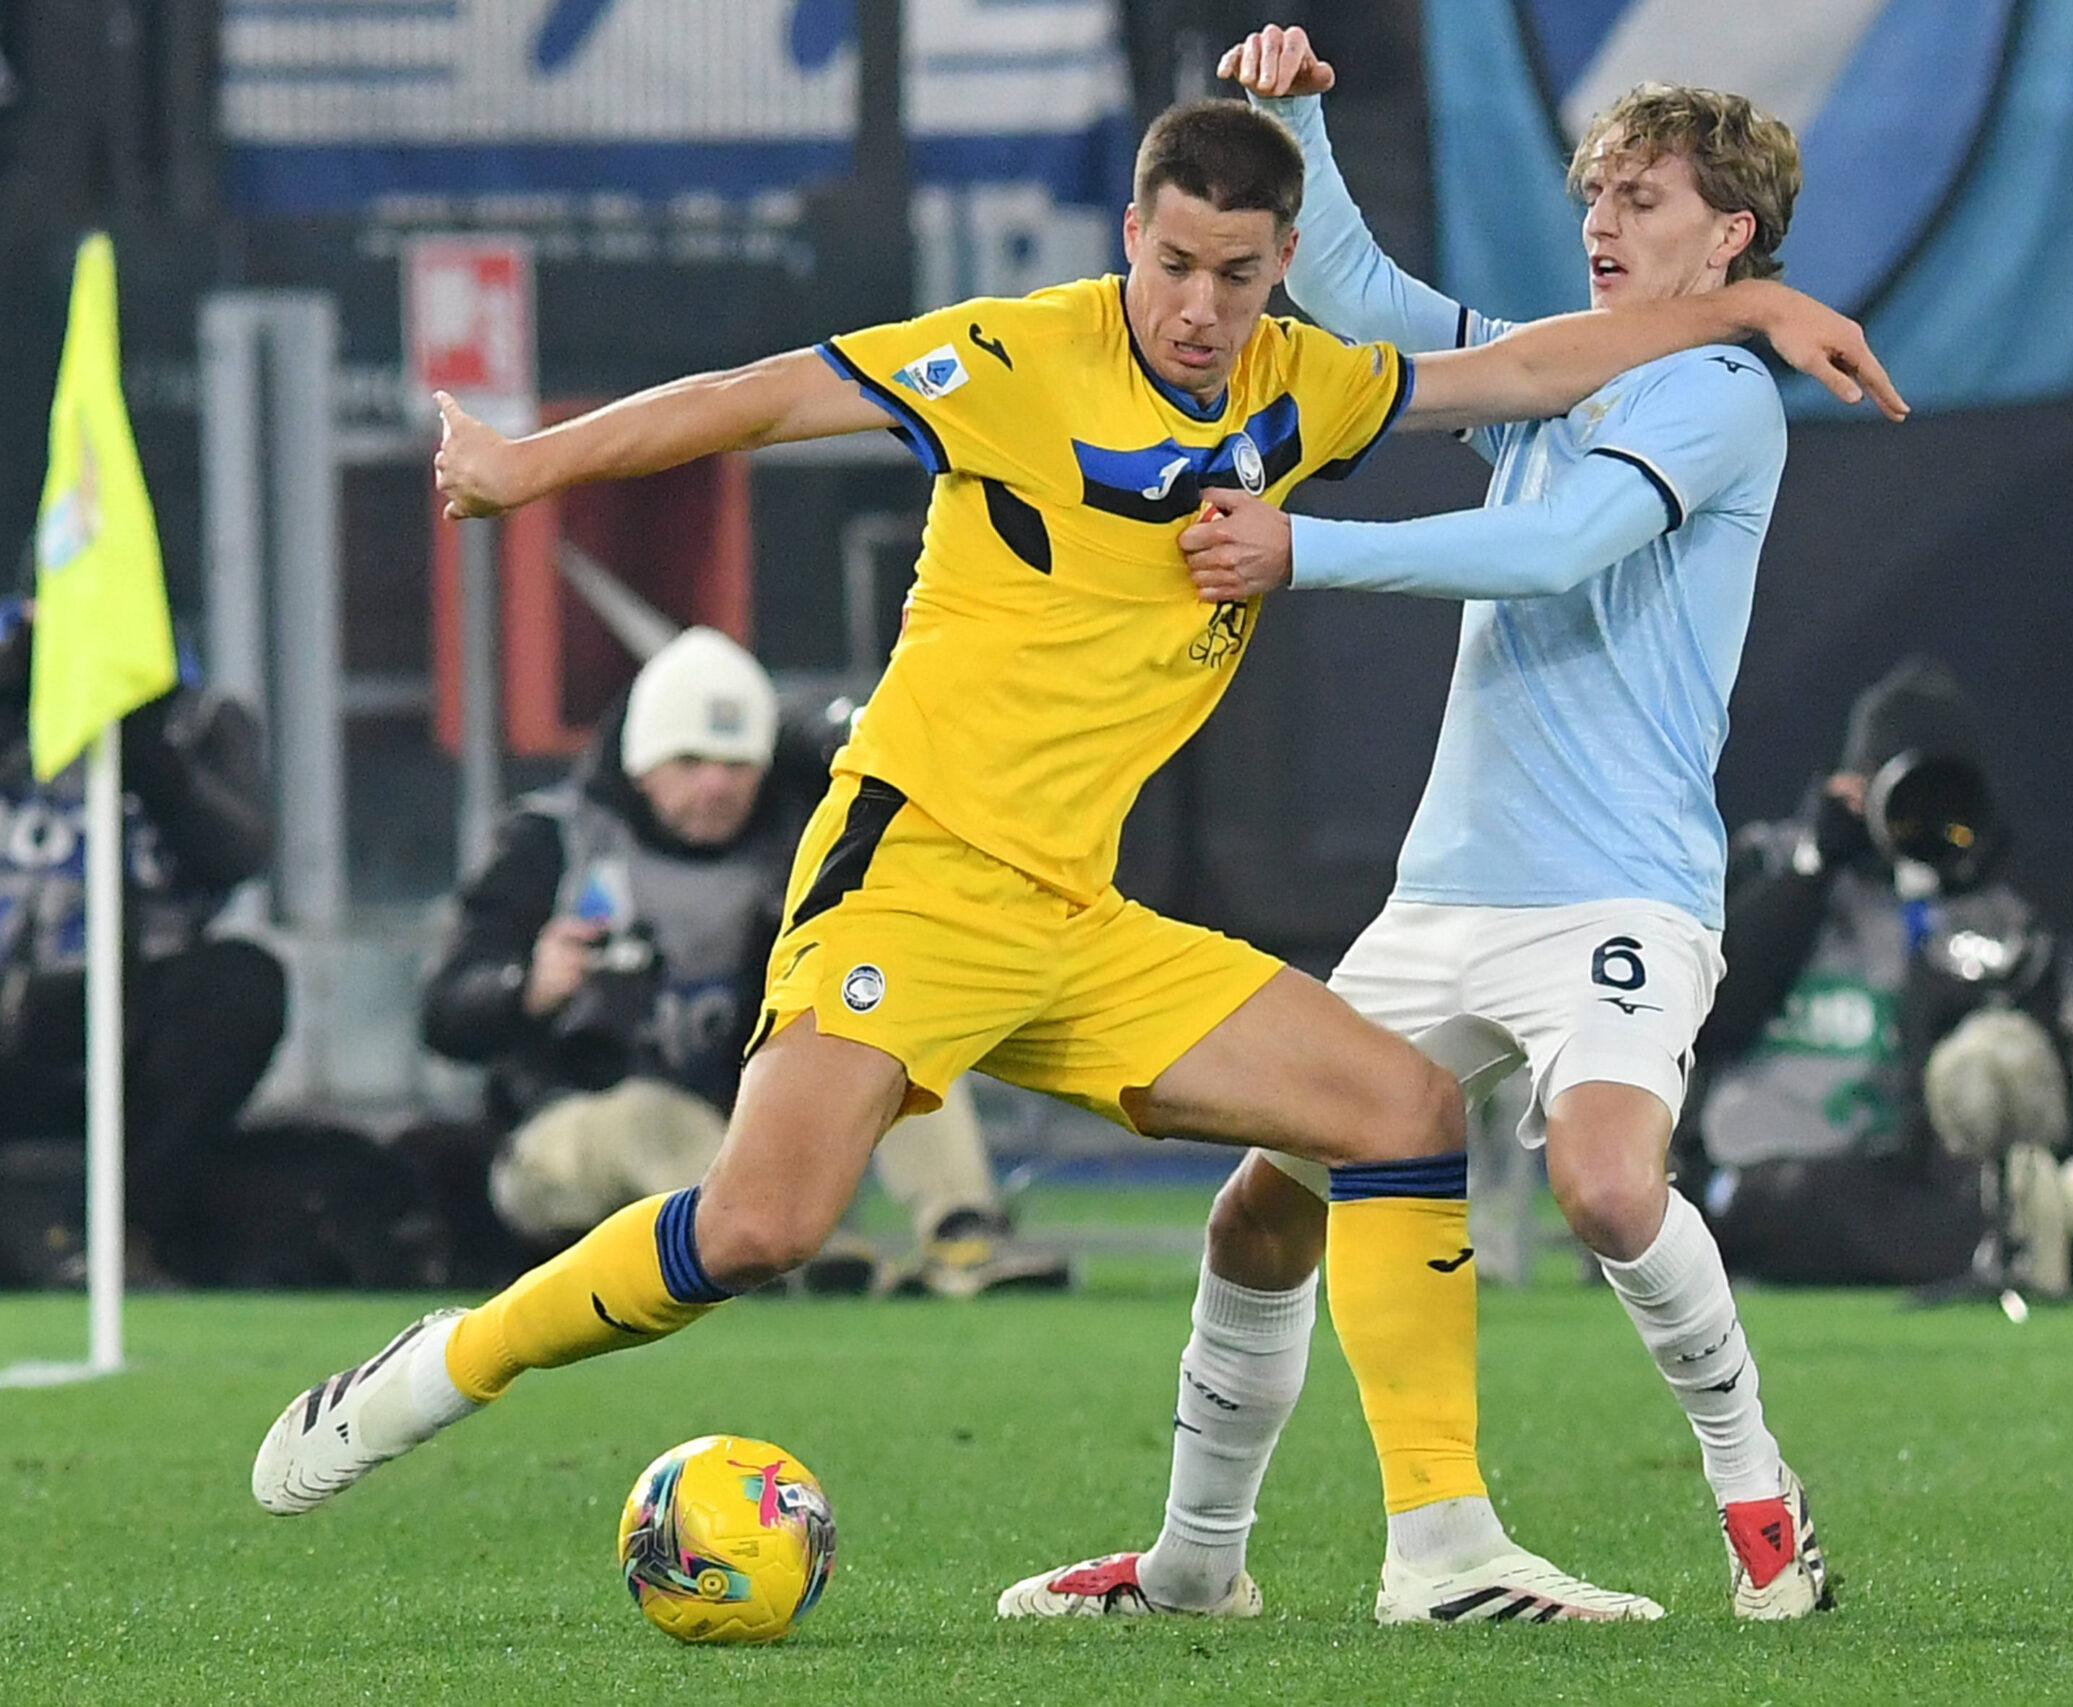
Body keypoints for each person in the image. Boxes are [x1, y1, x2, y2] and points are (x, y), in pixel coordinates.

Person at [250, 93, 1898, 1522]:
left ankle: (1448, 1550)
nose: (1197, 305)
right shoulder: (1016, 355)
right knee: (761, 1225)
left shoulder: (1305, 387)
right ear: (1133, 233)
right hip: (921, 875)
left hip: (1077, 914)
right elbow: (754, 396)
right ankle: (434, 1371)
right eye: (1172, 264)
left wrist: (1756, 315)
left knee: (1399, 1113)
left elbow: (1535, 363)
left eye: (1237, 275)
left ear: (1276, 269)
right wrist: (532, 463)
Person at [1000, 26, 1904, 1627]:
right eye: (1597, 193)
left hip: (1618, 890)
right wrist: (1294, 122)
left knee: (1611, 1186)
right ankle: (1197, 1559)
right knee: (1266, 1205)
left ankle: (1762, 1502)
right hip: (1447, 892)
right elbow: (1360, 299)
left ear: (1732, 237)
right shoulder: (1563, 361)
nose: (1603, 219)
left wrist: (1306, 553)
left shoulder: (1715, 395)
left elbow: (1555, 553)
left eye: (1641, 194)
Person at [419, 626, 1066, 1297]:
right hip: (560, 1143)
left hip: (750, 1133)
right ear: (643, 766)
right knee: (648, 1115)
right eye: (690, 763)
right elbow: (442, 1013)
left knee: (892, 1039)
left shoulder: (800, 844)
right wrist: (525, 990)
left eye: (736, 765)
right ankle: (770, 1245)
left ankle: (963, 1232)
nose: (715, 786)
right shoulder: (552, 842)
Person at [1678, 659, 2073, 1299]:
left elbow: (2050, 1092)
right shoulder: (1770, 868)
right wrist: (1813, 871)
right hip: (1775, 1166)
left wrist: (1950, 916)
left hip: (1922, 1173)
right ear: (1853, 787)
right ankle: (2034, 1236)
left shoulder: (1991, 916)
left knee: (1996, 1166)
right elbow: (1712, 1019)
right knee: (1792, 1207)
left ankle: (2041, 1216)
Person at [0, 599, 283, 1282]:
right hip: (11, 1010)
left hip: (136, 1012)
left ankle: (128, 1229)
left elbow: (239, 851)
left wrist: (146, 744)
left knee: (241, 981)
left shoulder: (198, 719)